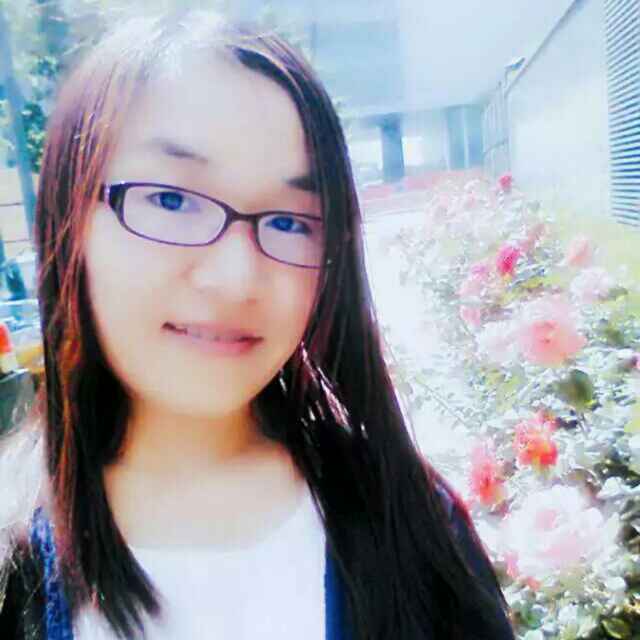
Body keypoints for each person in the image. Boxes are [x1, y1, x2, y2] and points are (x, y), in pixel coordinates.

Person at [0, 9, 516, 640]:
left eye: (292, 221)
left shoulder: (409, 525)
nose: (237, 279)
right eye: (172, 200)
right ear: (69, 219)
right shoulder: (13, 560)